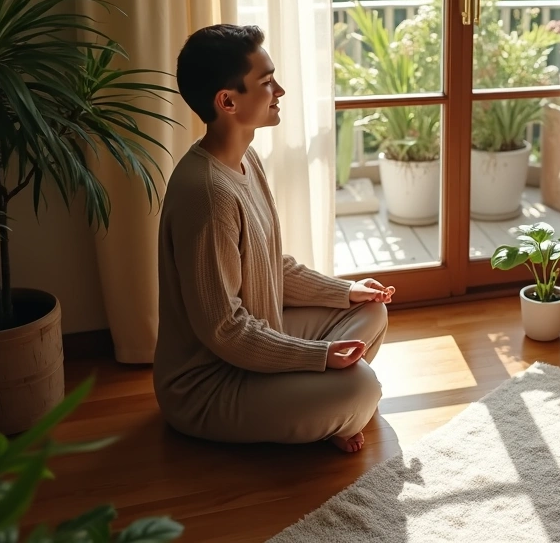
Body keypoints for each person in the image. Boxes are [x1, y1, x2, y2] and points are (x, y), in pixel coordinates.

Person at [154, 24, 395, 453]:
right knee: (359, 390)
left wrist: (346, 291)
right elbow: (225, 329)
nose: (279, 90)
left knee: (371, 315)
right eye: (266, 83)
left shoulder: (245, 158)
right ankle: (331, 412)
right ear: (227, 101)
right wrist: (317, 358)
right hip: (209, 383)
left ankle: (323, 413)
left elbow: (270, 263)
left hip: (256, 343)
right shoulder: (208, 194)